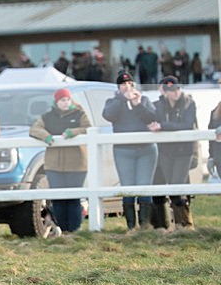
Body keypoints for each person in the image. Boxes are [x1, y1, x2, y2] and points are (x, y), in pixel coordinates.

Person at [102, 71, 158, 230]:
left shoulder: (144, 100)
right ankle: (131, 227)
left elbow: (153, 117)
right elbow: (108, 115)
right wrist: (122, 99)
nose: (127, 87)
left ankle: (145, 225)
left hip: (146, 150)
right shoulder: (112, 101)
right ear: (118, 87)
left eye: (129, 84)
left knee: (144, 185)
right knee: (127, 187)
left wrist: (138, 104)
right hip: (123, 151)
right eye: (123, 84)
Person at [29, 88, 91, 233]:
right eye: (63, 100)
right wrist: (47, 136)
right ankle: (64, 230)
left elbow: (88, 128)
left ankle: (74, 230)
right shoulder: (47, 116)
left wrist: (72, 132)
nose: (66, 102)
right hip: (54, 164)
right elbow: (34, 129)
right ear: (56, 102)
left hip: (76, 163)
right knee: (58, 198)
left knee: (73, 198)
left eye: (68, 100)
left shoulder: (79, 114)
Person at [148, 76, 197, 229]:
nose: (175, 93)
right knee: (170, 189)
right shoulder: (159, 105)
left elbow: (187, 124)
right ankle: (174, 226)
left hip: (184, 151)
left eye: (177, 89)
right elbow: (153, 119)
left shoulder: (189, 103)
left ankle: (185, 225)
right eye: (171, 90)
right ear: (165, 92)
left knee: (177, 186)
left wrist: (163, 126)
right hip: (166, 151)